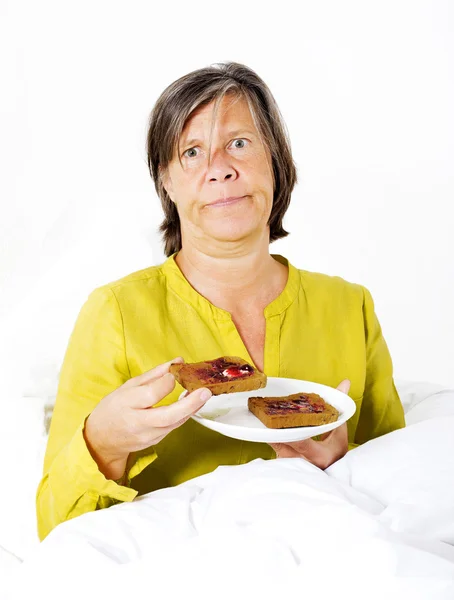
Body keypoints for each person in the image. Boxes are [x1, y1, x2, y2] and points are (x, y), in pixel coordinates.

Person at [36, 61, 405, 541]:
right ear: (166, 181)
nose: (220, 170)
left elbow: (411, 483)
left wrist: (343, 464)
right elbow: (53, 528)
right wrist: (103, 444)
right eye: (192, 152)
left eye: (238, 143)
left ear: (275, 159)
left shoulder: (349, 306)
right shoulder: (116, 313)